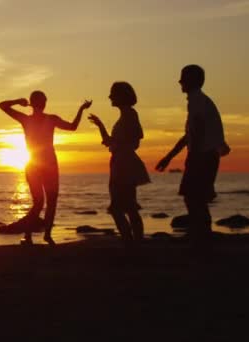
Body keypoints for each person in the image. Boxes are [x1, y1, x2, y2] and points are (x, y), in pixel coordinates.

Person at [0, 92, 92, 245]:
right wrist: (81, 109)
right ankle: (41, 235)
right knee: (48, 202)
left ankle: (34, 235)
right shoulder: (45, 119)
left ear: (32, 103)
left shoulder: (28, 119)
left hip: (37, 164)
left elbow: (3, 106)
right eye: (44, 100)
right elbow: (73, 127)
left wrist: (18, 101)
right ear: (42, 103)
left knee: (41, 202)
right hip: (45, 164)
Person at [156, 65, 230, 247]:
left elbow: (197, 132)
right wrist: (169, 157)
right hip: (205, 155)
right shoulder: (199, 101)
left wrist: (193, 156)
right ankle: (201, 235)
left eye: (183, 78)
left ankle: (201, 237)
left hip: (203, 156)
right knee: (197, 197)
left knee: (194, 197)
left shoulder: (197, 101)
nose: (180, 81)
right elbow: (189, 135)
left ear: (193, 81)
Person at [88, 82, 150, 247]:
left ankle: (132, 242)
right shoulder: (126, 116)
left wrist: (120, 145)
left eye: (112, 94)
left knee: (123, 207)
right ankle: (133, 242)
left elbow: (134, 142)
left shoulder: (130, 115)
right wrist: (100, 126)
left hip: (125, 164)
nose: (110, 97)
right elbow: (110, 142)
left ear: (121, 96)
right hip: (120, 163)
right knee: (127, 206)